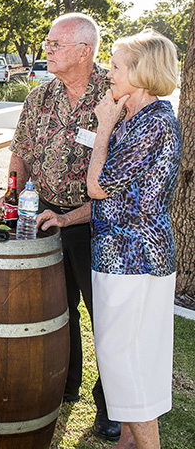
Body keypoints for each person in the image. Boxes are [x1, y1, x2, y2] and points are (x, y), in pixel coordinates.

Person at [0, 12, 121, 440]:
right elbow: (22, 152)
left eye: (55, 44)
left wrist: (72, 216)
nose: (45, 49)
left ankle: (112, 407)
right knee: (55, 309)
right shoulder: (39, 97)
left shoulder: (116, 95)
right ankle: (65, 387)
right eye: (47, 43)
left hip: (97, 223)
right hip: (44, 216)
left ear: (84, 51)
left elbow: (121, 180)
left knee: (104, 317)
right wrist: (12, 194)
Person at [87, 29, 181, 449]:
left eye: (116, 66)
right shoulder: (136, 116)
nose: (108, 72)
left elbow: (98, 186)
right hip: (118, 255)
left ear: (142, 72)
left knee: (128, 361)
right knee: (121, 357)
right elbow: (118, 196)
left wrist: (103, 126)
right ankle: (128, 443)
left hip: (134, 258)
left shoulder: (155, 122)